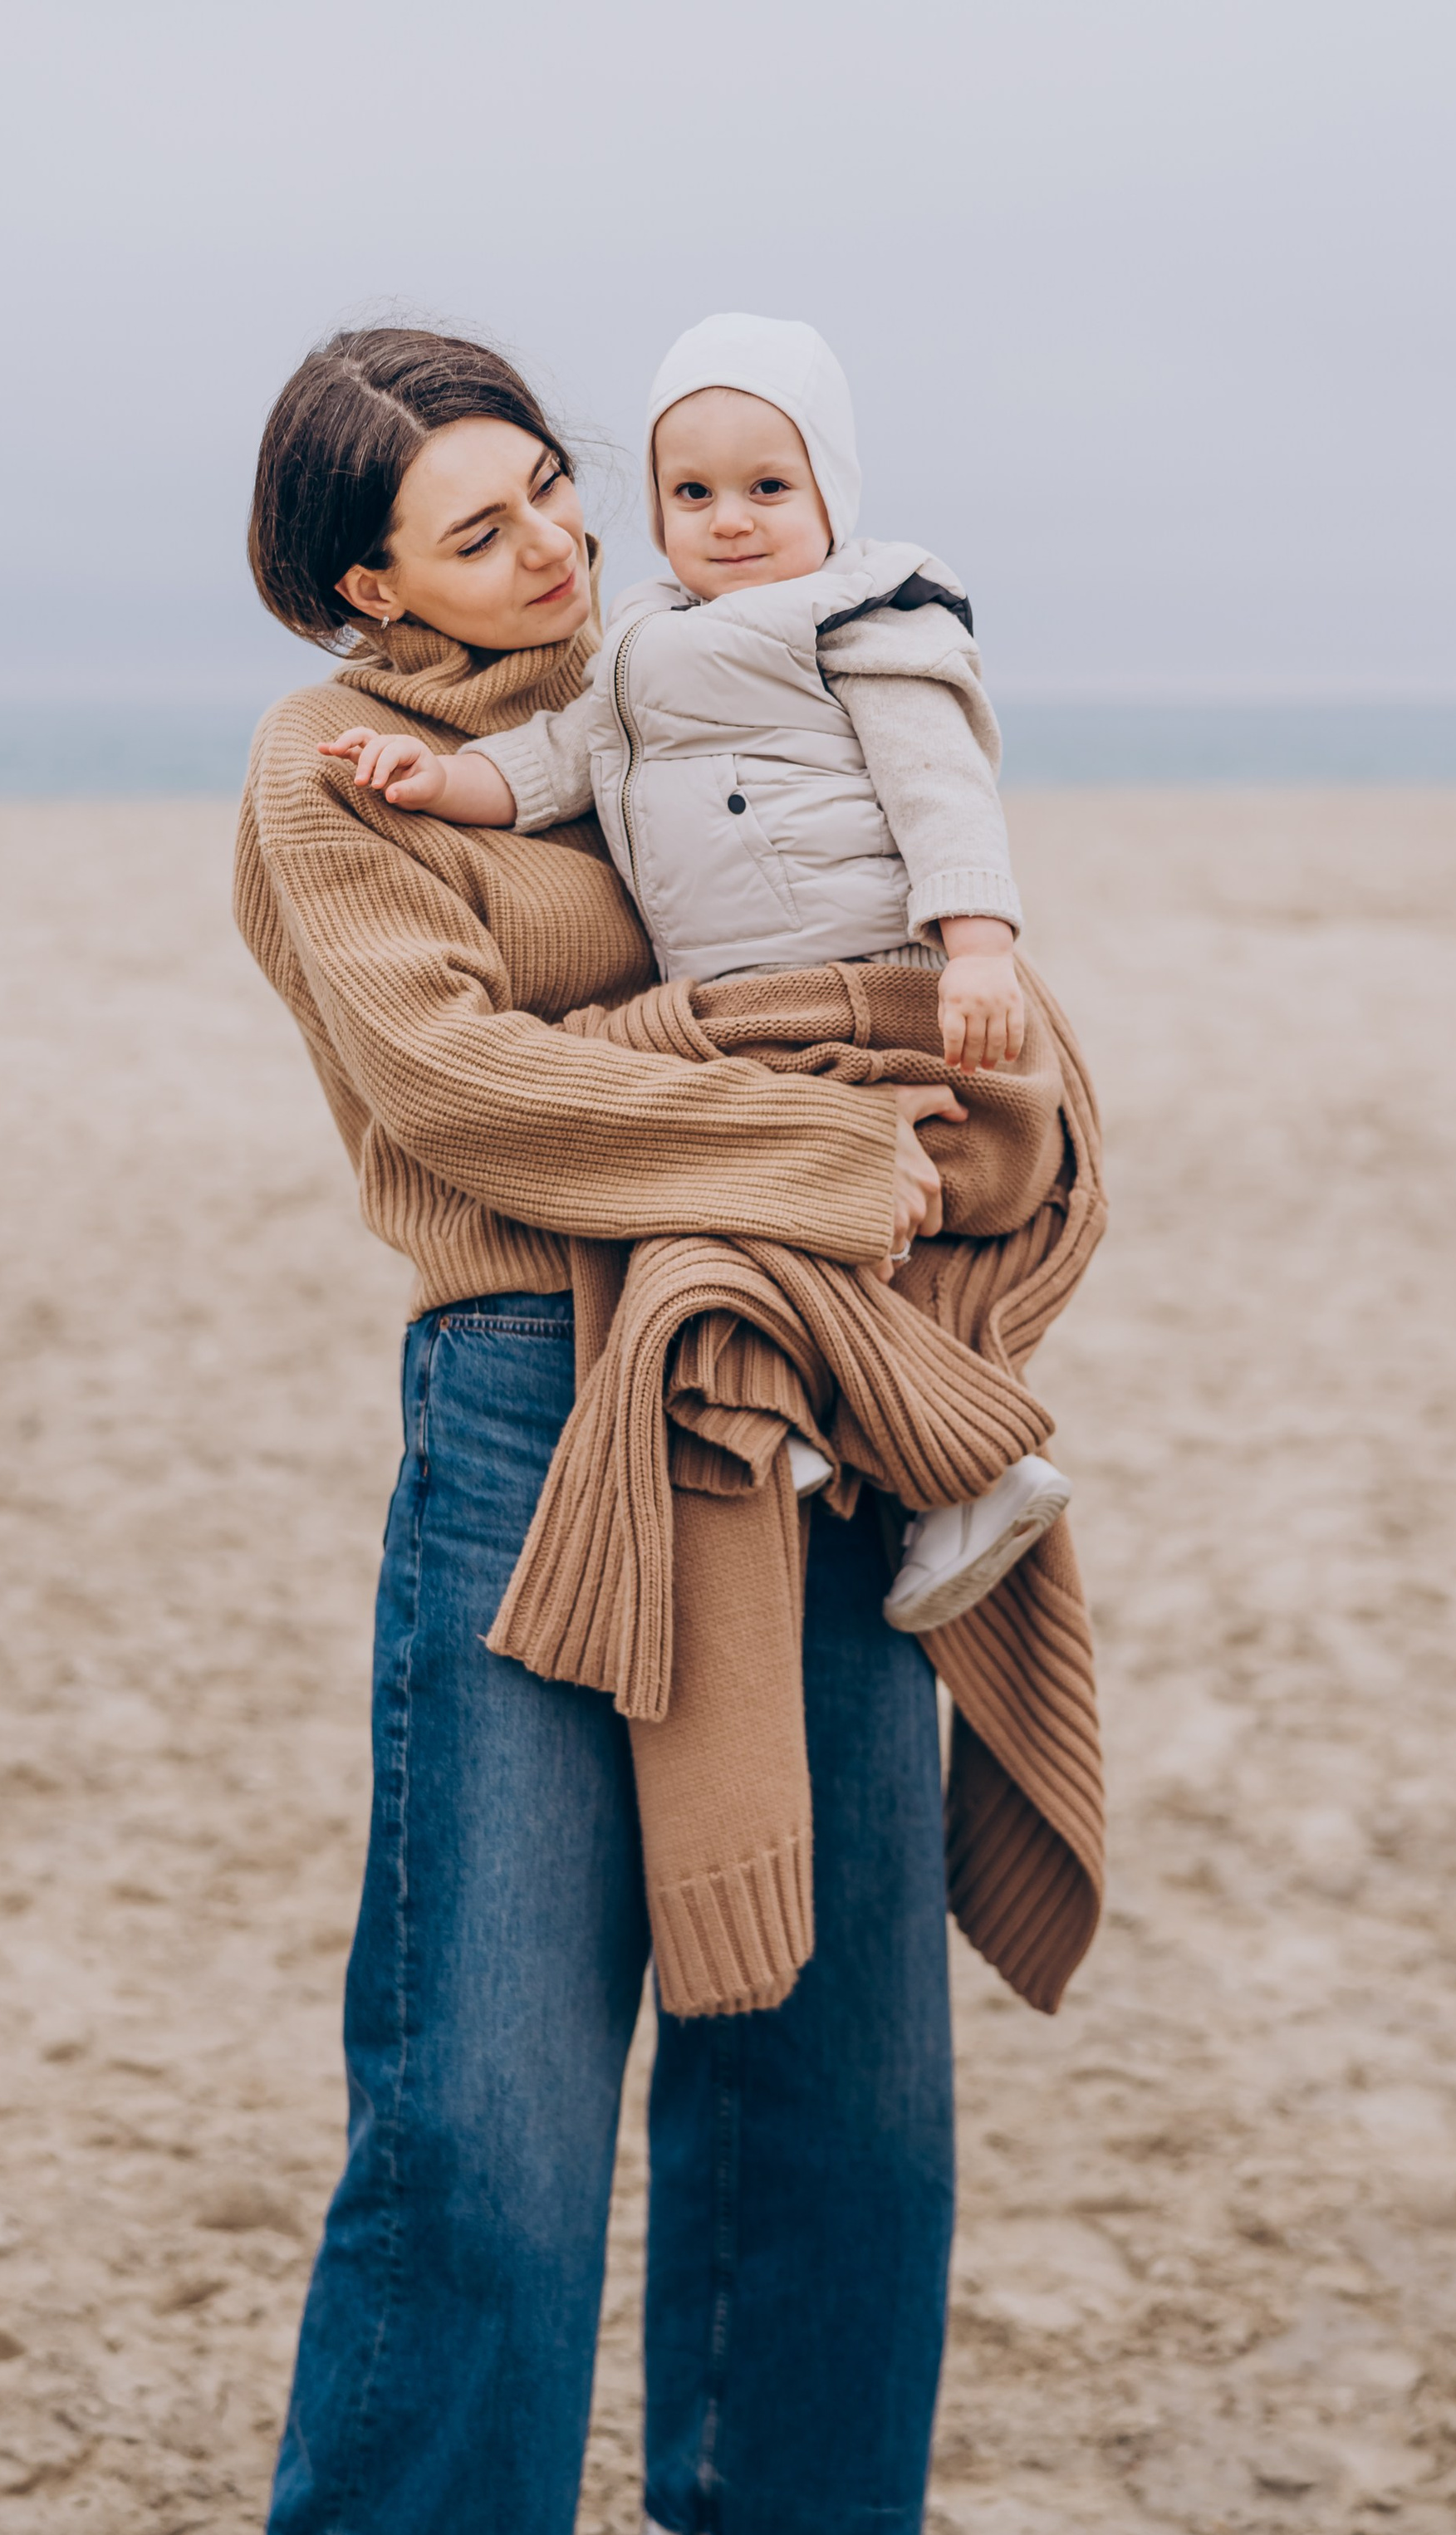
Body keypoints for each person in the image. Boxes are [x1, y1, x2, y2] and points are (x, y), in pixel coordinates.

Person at [225, 324, 983, 2535]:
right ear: (365, 587)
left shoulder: (687, 667)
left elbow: (880, 887)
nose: (557, 545)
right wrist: (801, 1127)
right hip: (530, 1395)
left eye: (556, 490)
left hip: (788, 1368)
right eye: (483, 530)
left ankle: (749, 2534)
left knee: (837, 1996)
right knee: (488, 2062)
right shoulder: (329, 771)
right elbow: (464, 1089)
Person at [323, 313, 1071, 1640]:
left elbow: (943, 790)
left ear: (833, 492)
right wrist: (439, 780)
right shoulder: (639, 646)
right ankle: (808, 1424)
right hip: (739, 1010)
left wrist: (978, 947)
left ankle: (946, 1456)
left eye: (769, 487)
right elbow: (555, 764)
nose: (729, 521)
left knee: (773, 1219)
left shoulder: (862, 618)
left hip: (850, 976)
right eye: (692, 493)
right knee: (753, 1225)